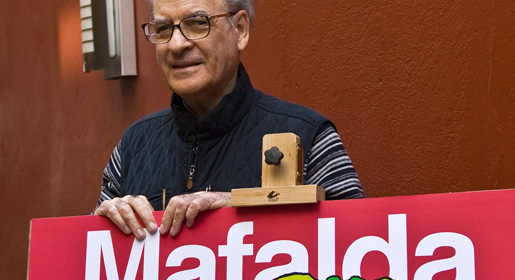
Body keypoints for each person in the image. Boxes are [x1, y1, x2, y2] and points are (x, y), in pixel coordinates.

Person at [93, 0, 363, 240]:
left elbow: (359, 250)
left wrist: (238, 210)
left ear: (241, 30)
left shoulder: (309, 137)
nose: (176, 44)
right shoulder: (132, 147)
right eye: (163, 29)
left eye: (198, 23)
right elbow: (92, 263)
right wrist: (101, 227)